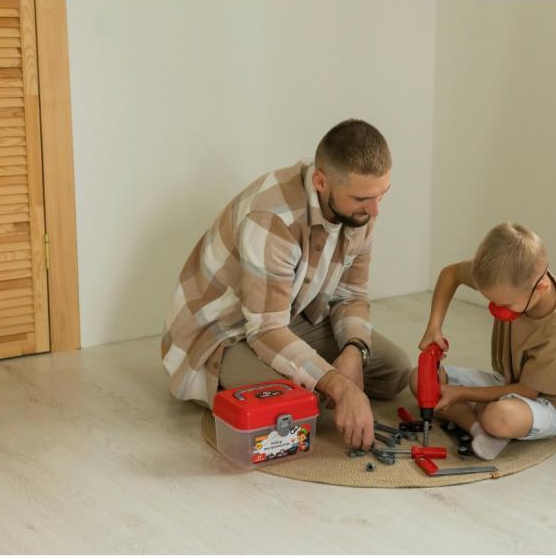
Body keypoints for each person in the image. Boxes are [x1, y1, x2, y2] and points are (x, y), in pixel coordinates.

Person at [162, 119, 410, 450]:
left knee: (395, 370)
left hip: (292, 315)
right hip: (225, 334)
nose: (376, 209)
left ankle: (324, 375)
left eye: (382, 194)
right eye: (362, 198)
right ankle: (233, 382)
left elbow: (350, 296)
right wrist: (337, 384)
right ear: (321, 181)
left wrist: (354, 349)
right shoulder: (273, 217)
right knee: (306, 402)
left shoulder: (361, 212)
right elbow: (264, 329)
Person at [411, 222, 556, 459]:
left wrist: (463, 394)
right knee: (419, 380)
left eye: (504, 305)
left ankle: (487, 420)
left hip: (546, 403)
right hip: (507, 380)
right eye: (491, 301)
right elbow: (450, 274)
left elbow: (528, 391)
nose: (496, 309)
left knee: (499, 416)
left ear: (541, 288)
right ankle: (479, 430)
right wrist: (434, 328)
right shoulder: (506, 277)